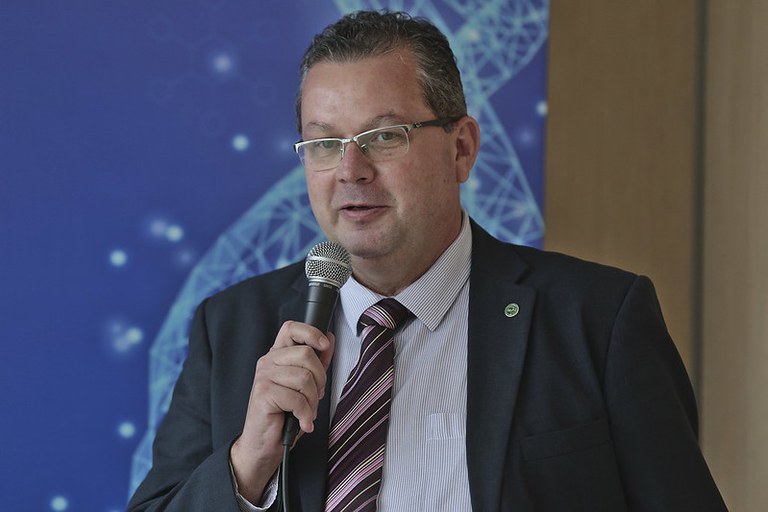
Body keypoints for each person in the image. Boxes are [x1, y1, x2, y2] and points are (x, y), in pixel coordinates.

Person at [128, 10, 726, 511]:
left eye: (384, 137)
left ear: (461, 148)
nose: (351, 170)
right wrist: (246, 466)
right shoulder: (231, 329)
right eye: (326, 143)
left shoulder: (597, 319)